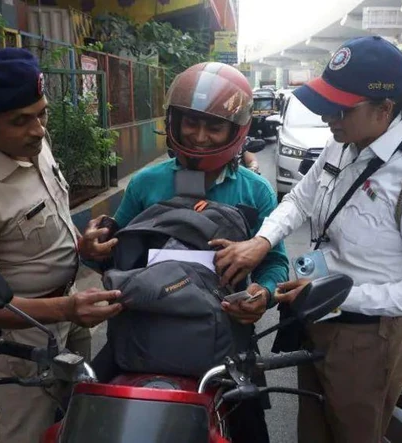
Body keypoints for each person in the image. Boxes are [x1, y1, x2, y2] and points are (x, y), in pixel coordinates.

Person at [212, 36, 402, 443]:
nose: (329, 117)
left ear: (385, 109)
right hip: (320, 319)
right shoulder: (340, 147)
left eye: (342, 108)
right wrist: (261, 241)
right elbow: (299, 200)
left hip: (370, 338)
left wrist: (338, 297)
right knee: (313, 432)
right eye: (327, 104)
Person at [80, 61, 288, 442]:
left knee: (251, 433)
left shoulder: (254, 192)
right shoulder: (146, 184)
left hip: (224, 341)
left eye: (214, 126)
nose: (200, 137)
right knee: (78, 414)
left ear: (236, 130)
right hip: (142, 334)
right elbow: (116, 252)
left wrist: (263, 294)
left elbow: (274, 260)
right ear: (174, 122)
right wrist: (91, 248)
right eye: (191, 122)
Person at [0, 48, 121, 443]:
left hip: (70, 309)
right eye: (21, 121)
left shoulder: (28, 141)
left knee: (78, 415)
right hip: (27, 333)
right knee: (28, 432)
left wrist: (81, 248)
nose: (38, 129)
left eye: (42, 113)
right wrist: (65, 308)